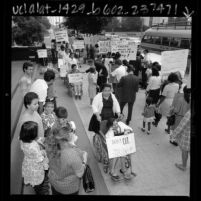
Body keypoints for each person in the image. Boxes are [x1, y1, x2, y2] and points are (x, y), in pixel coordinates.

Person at [46, 126, 88, 195]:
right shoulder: (72, 154)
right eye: (72, 133)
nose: (74, 134)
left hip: (54, 182)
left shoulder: (49, 146)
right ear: (67, 138)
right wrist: (84, 160)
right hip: (69, 188)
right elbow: (80, 174)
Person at [19, 121, 49, 194]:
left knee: (33, 180)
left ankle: (36, 188)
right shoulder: (33, 147)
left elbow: (31, 147)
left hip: (28, 162)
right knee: (41, 184)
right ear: (32, 135)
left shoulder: (22, 139)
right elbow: (40, 159)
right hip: (36, 166)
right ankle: (42, 191)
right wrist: (44, 154)